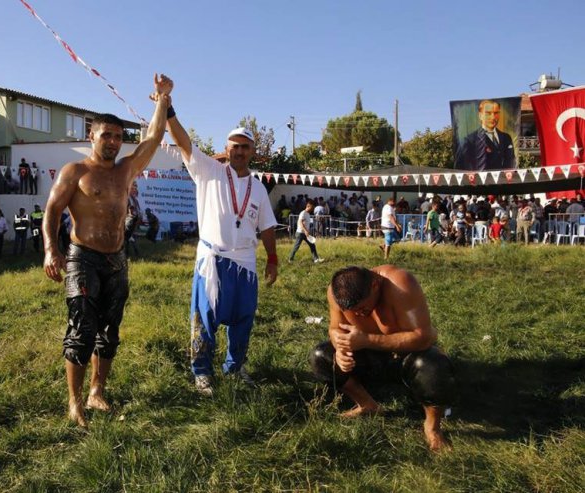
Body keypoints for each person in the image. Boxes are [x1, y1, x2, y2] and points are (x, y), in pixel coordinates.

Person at [42, 73, 172, 427]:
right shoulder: (75, 171)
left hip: (117, 259)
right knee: (82, 329)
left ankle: (97, 391)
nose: (114, 141)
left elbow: (156, 137)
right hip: (82, 257)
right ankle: (74, 402)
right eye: (107, 135)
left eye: (118, 136)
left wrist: (162, 99)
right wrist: (50, 250)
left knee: (110, 330)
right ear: (92, 136)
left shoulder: (126, 170)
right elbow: (52, 211)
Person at [165, 100, 279, 397]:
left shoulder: (258, 188)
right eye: (234, 146)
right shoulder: (209, 171)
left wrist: (273, 259)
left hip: (245, 262)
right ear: (226, 149)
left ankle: (235, 366)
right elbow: (184, 142)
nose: (239, 151)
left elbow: (266, 226)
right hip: (213, 259)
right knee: (205, 317)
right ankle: (202, 372)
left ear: (253, 151)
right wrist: (168, 109)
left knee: (244, 317)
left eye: (245, 146)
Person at [309, 266, 457, 451]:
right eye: (352, 311)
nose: (358, 315)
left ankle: (432, 426)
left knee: (433, 365)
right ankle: (367, 404)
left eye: (362, 308)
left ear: (375, 284)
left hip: (404, 357)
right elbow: (335, 329)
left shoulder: (400, 284)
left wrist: (367, 340)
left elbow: (425, 336)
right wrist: (340, 349)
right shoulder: (335, 292)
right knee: (320, 356)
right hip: (368, 356)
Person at [454, 100, 515, 170]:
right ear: (480, 115)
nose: (493, 117)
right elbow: (461, 168)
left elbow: (512, 163)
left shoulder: (506, 138)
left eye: (496, 113)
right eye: (488, 113)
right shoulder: (469, 141)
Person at [288, 199, 324, 264]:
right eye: (312, 207)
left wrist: (308, 231)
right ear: (308, 206)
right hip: (300, 233)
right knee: (296, 246)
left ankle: (316, 259)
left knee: (312, 245)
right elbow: (300, 222)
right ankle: (290, 259)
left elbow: (305, 224)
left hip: (305, 233)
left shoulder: (307, 214)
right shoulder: (303, 213)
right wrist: (305, 231)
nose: (313, 209)